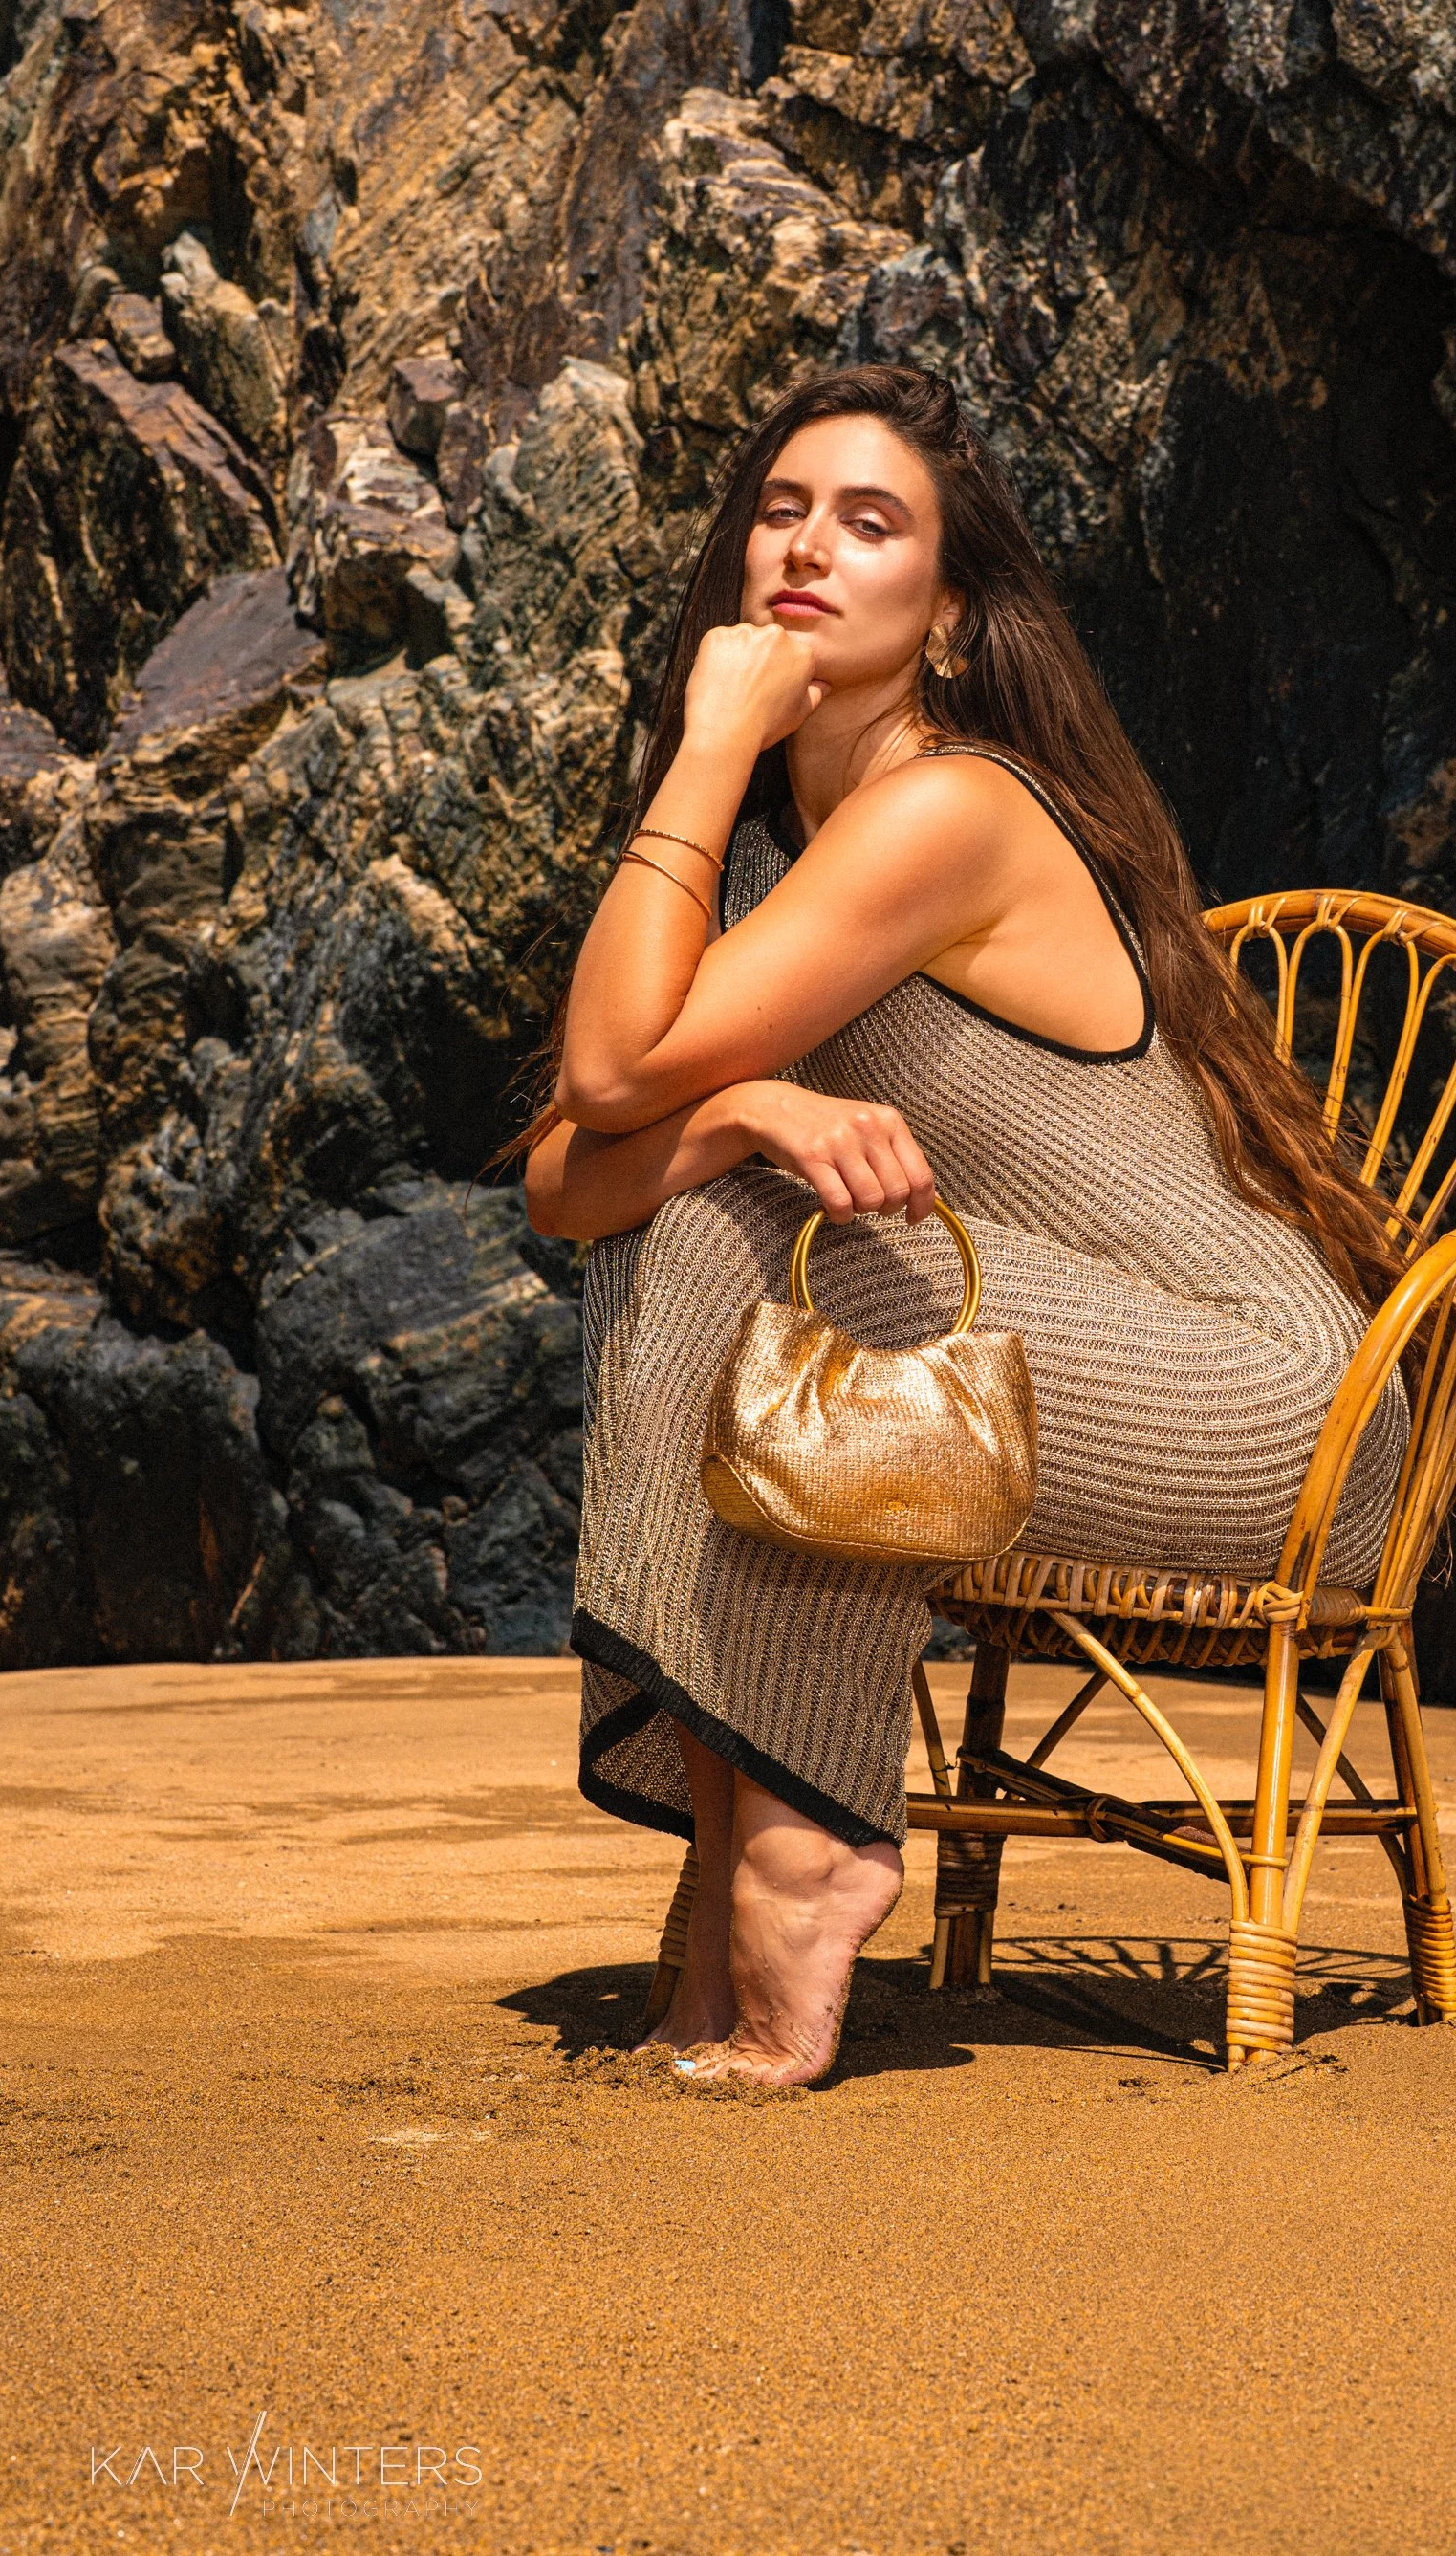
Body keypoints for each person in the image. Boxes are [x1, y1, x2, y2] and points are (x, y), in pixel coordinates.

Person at [521, 365, 1407, 2086]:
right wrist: (751, 1108)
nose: (808, 547)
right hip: (1057, 1348)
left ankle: (799, 1846)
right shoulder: (809, 848)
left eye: (871, 523)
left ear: (946, 613)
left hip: (1269, 1398)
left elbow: (611, 1059)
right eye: (781, 512)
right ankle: (757, 1847)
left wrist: (708, 744)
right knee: (711, 1207)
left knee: (738, 1234)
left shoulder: (944, 809)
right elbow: (568, 1176)